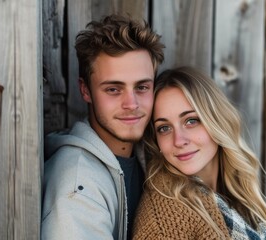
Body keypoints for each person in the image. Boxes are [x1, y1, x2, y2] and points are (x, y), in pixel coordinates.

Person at [41, 14, 164, 240]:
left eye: (142, 87)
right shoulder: (77, 188)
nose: (132, 104)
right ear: (86, 90)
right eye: (113, 89)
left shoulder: (153, 154)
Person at [133, 66, 266, 239]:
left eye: (191, 121)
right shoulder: (165, 221)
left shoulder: (239, 203)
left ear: (216, 122)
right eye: (164, 128)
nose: (179, 140)